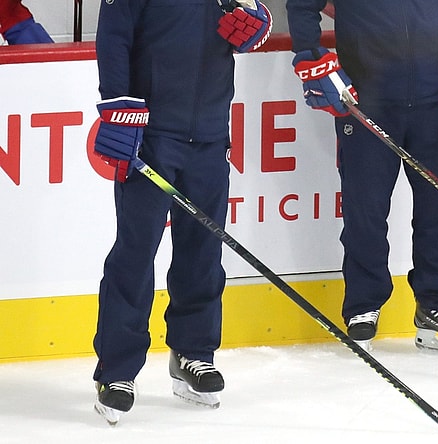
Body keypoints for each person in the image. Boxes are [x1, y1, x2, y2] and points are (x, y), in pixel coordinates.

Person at [91, 0, 271, 425]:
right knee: (135, 253)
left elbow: (244, 30)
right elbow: (113, 39)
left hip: (210, 134)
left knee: (203, 251)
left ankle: (194, 352)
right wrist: (118, 111)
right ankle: (117, 371)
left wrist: (255, 15)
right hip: (152, 135)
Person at [286, 0, 438, 355]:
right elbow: (302, 5)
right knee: (365, 212)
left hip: (436, 100)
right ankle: (363, 304)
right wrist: (311, 54)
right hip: (367, 102)